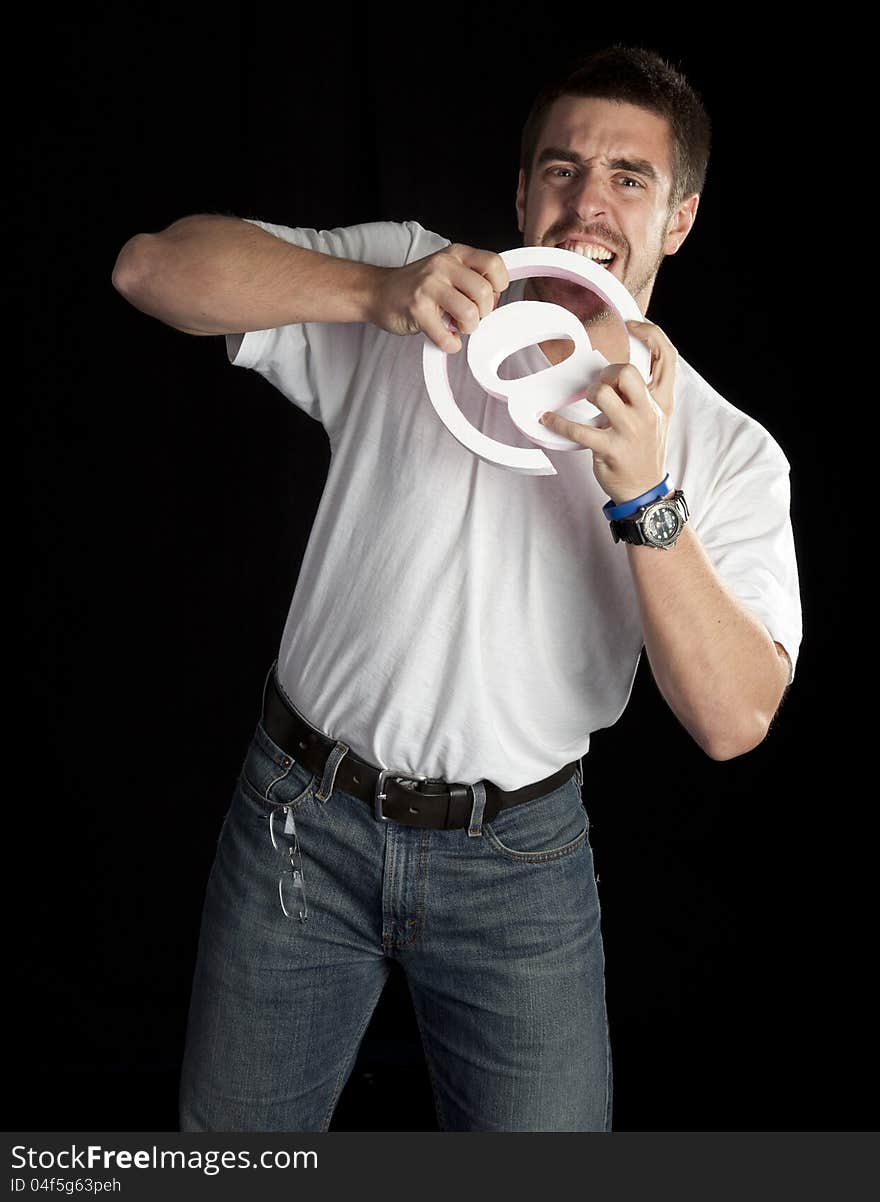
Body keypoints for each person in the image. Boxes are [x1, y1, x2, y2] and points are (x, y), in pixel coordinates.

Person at [111, 45, 802, 1133]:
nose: (587, 203)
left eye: (629, 177)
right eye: (562, 168)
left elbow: (734, 717)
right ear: (523, 189)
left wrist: (644, 494)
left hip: (518, 867)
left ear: (678, 217)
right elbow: (151, 269)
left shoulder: (725, 449)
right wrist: (372, 290)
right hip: (301, 818)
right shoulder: (417, 282)